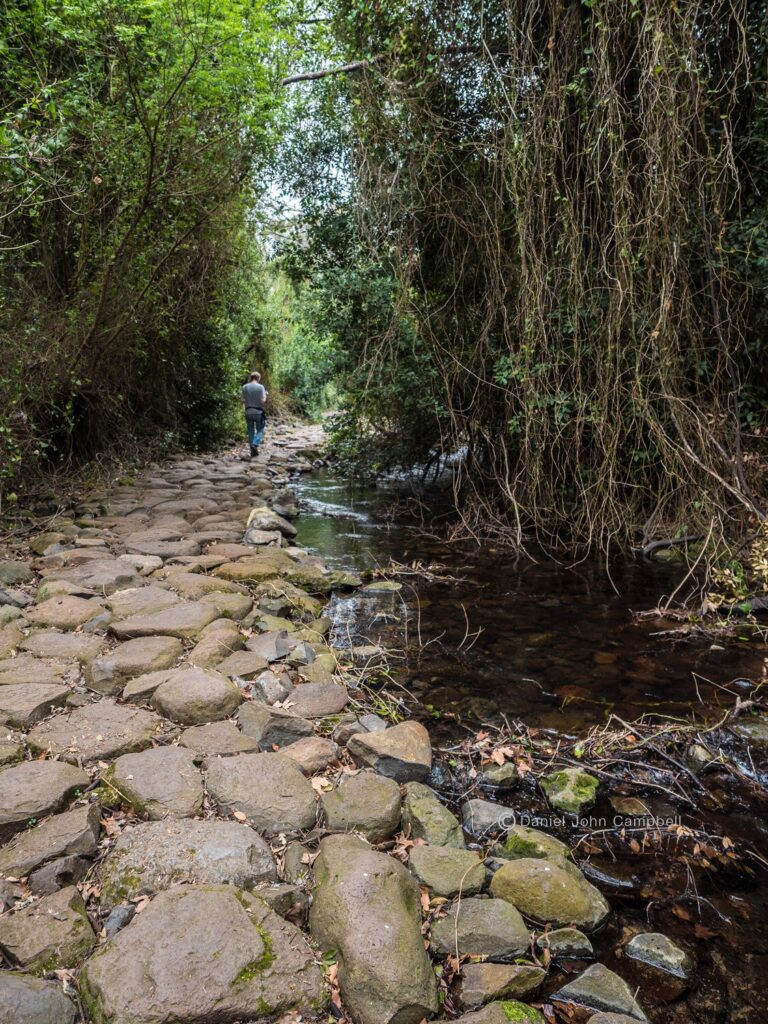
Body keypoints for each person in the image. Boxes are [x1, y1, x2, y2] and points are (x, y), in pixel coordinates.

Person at [241, 371, 268, 457]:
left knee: (250, 431)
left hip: (248, 412)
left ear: (251, 378)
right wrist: (266, 395)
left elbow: (242, 400)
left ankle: (252, 450)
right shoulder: (261, 387)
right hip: (258, 412)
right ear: (258, 378)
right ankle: (255, 444)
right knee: (260, 429)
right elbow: (262, 401)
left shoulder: (245, 387)